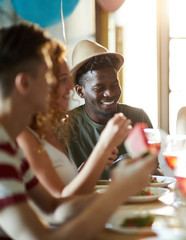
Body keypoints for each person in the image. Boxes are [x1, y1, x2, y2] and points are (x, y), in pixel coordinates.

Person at [0, 23, 157, 239]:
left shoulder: (9, 144)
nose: (60, 87)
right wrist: (118, 191)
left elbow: (55, 208)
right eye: (49, 77)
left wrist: (126, 193)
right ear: (24, 83)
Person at [16, 40, 131, 198]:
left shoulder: (49, 129)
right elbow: (60, 204)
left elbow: (67, 195)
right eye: (64, 79)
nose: (70, 88)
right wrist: (103, 148)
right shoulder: (24, 136)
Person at [67, 39, 163, 179]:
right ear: (80, 92)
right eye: (99, 88)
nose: (110, 93)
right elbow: (64, 188)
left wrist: (149, 167)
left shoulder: (138, 118)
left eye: (114, 85)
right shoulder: (65, 127)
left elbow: (157, 177)